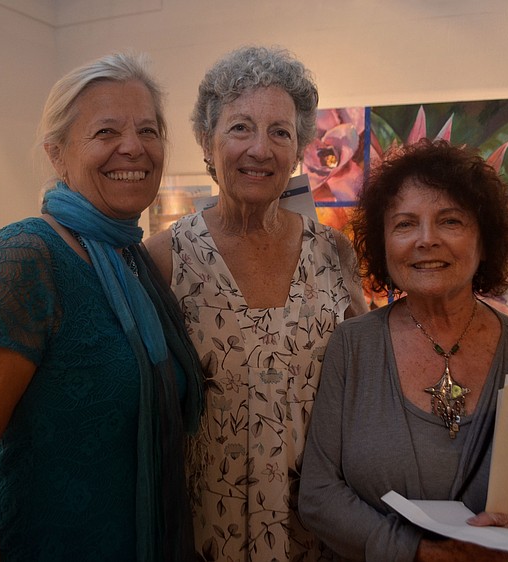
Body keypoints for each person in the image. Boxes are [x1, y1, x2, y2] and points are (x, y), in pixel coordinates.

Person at [0, 52, 203, 562]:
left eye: (148, 130)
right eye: (106, 132)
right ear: (57, 155)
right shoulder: (26, 255)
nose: (133, 147)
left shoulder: (134, 260)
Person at [298, 139, 508, 562]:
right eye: (405, 224)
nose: (426, 240)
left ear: (484, 240)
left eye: (450, 221)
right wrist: (420, 552)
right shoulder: (352, 346)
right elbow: (318, 493)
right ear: (384, 244)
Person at [145, 45, 368, 561]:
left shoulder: (333, 253)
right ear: (208, 141)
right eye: (241, 127)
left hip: (317, 525)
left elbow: (363, 382)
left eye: (280, 132)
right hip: (206, 527)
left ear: (299, 149)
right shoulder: (166, 258)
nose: (260, 149)